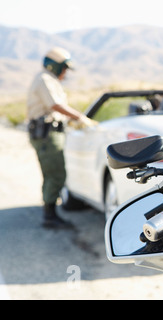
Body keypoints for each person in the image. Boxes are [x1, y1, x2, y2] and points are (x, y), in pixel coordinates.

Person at [27, 47, 95, 229]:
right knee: (55, 174)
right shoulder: (44, 79)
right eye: (63, 68)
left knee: (53, 173)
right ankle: (50, 216)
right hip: (47, 134)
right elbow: (55, 105)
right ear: (55, 66)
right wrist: (79, 117)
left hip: (50, 132)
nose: (65, 73)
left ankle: (50, 213)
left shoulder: (49, 80)